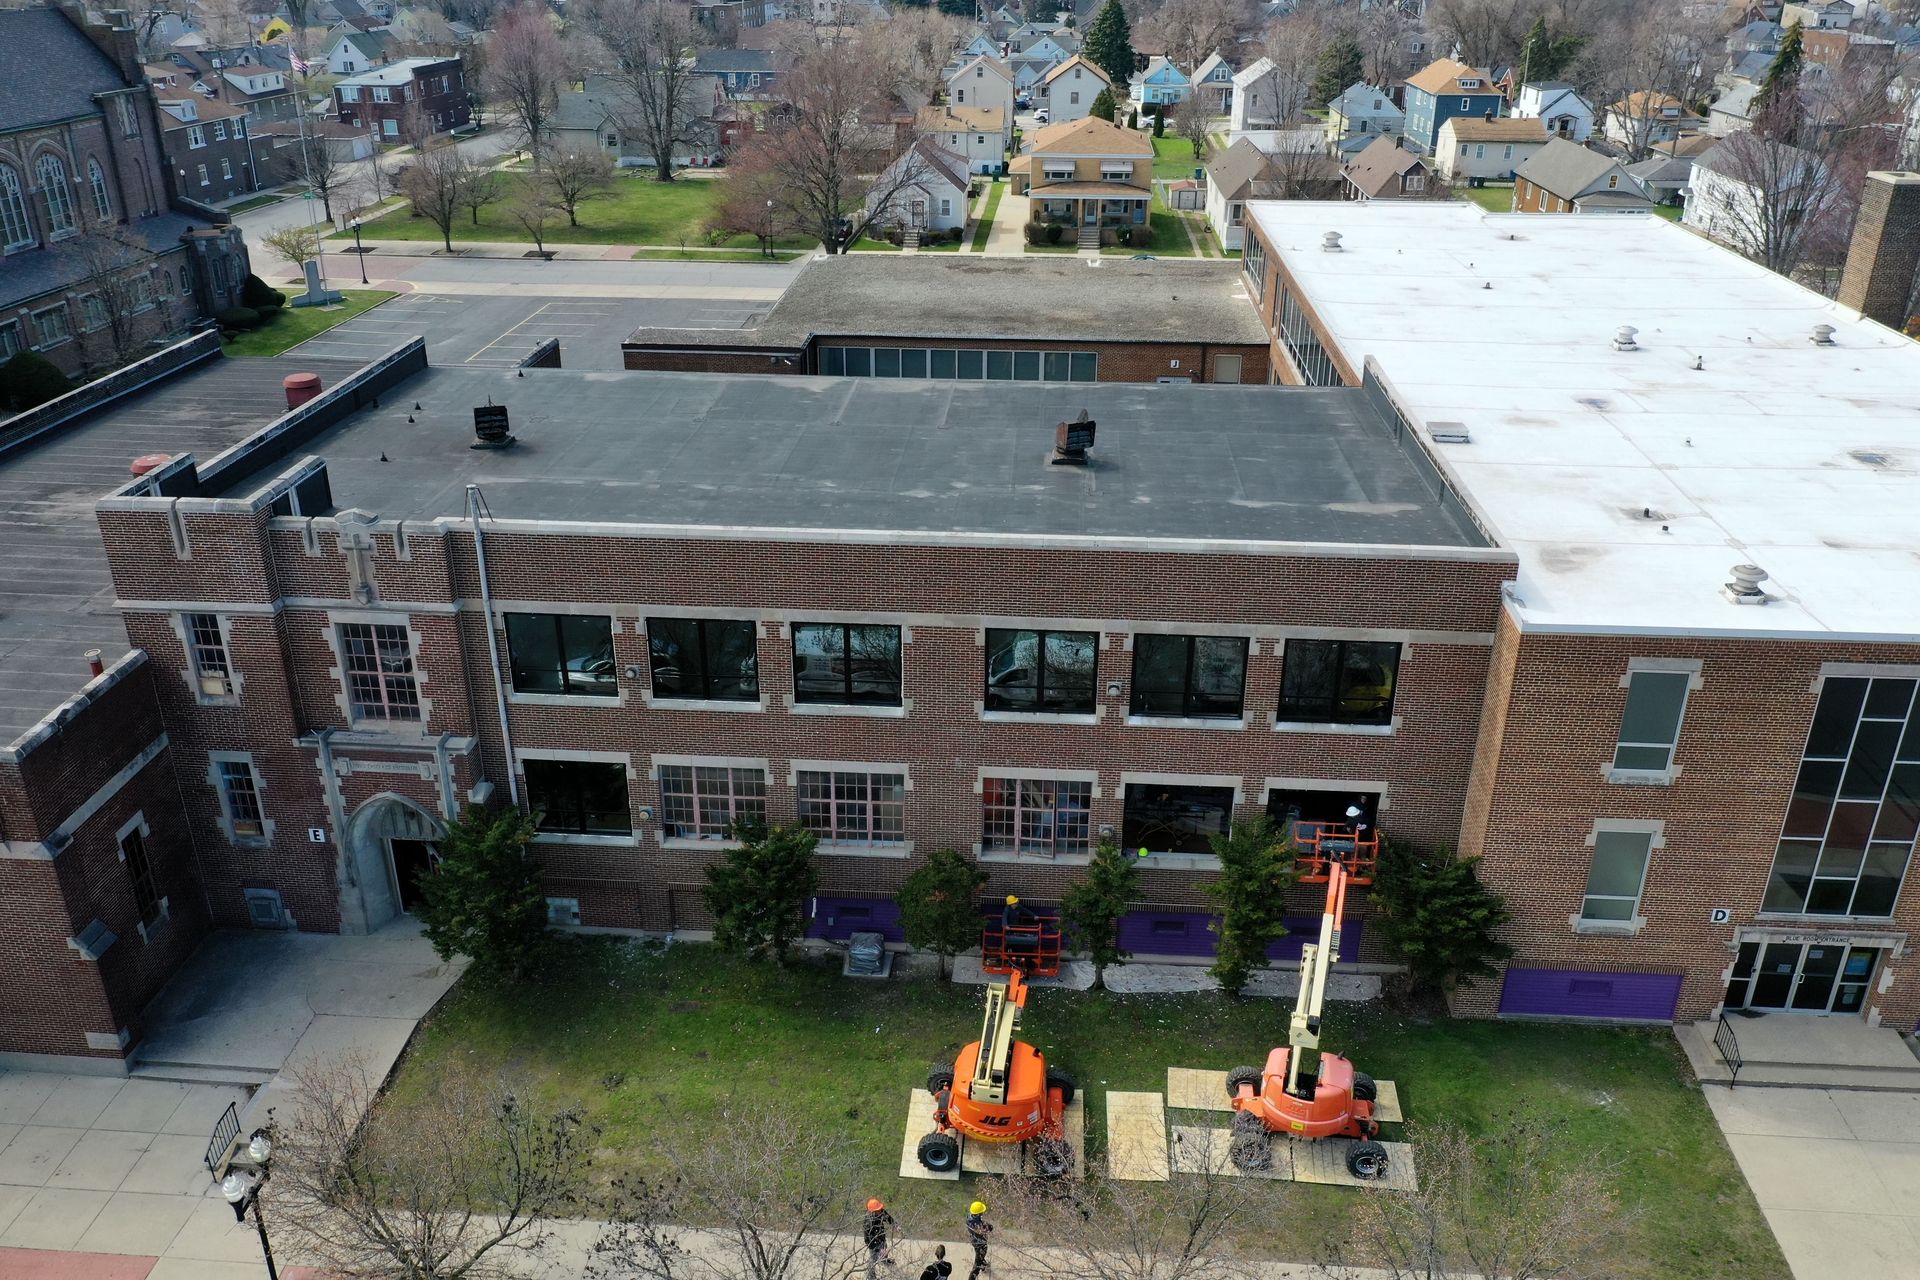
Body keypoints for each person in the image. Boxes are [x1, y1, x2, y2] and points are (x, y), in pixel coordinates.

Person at [864, 1198, 896, 1278]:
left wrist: (895, 1225)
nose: (880, 1211)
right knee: (873, 1261)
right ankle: (871, 1277)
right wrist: (878, 1248)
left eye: (880, 1209)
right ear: (872, 1212)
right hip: (873, 1243)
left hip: (882, 1239)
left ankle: (892, 1268)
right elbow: (868, 1239)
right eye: (878, 1210)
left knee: (884, 1257)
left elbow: (888, 1218)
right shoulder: (868, 1221)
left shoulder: (881, 1212)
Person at [965, 1200, 992, 1280]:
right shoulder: (978, 1226)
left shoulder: (969, 1216)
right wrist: (988, 1226)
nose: (983, 1213)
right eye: (981, 1212)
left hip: (973, 1240)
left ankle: (983, 1264)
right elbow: (989, 1229)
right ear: (978, 1214)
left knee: (981, 1254)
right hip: (980, 1243)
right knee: (977, 1266)